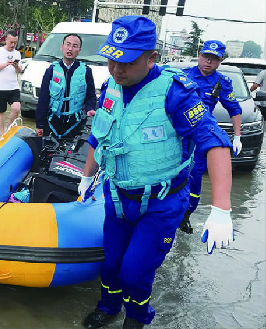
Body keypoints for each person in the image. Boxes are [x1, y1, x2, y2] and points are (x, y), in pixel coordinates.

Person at [78, 16, 234, 329]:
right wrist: (85, 177)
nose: (117, 70)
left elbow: (215, 142)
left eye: (127, 63)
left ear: (151, 58)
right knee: (110, 266)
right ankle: (108, 307)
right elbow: (99, 134)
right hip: (118, 196)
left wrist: (222, 209)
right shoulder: (111, 85)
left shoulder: (175, 93)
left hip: (161, 203)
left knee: (134, 272)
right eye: (112, 61)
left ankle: (136, 318)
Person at [179, 40, 242, 234]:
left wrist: (237, 136)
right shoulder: (183, 75)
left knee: (195, 176)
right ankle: (165, 211)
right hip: (177, 134)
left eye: (214, 59)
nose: (208, 62)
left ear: (220, 61)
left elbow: (234, 109)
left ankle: (186, 216)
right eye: (206, 57)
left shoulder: (221, 82)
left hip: (200, 138)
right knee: (170, 172)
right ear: (199, 55)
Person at [35, 33, 97, 138]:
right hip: (53, 122)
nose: (70, 49)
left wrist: (90, 108)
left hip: (76, 123)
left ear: (79, 50)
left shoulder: (86, 71)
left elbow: (91, 95)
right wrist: (40, 124)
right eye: (68, 45)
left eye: (74, 46)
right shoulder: (51, 70)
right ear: (62, 47)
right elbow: (43, 98)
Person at [0, 30, 22, 135]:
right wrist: (5, 64)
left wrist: (16, 66)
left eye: (15, 42)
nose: (13, 45)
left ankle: (9, 128)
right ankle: (2, 132)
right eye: (11, 42)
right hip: (1, 87)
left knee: (16, 107)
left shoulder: (17, 53)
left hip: (14, 86)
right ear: (6, 40)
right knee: (1, 111)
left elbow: (19, 70)